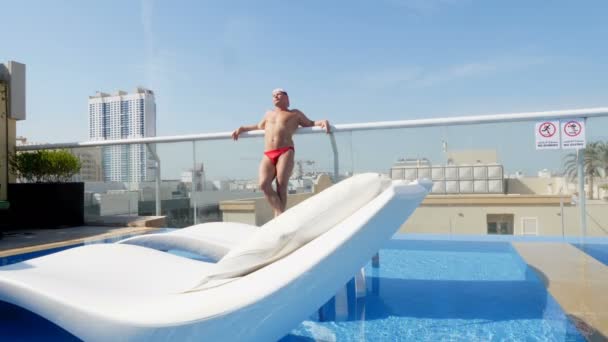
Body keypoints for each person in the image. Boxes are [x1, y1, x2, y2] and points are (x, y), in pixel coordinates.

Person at [232, 88, 331, 217]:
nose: (275, 97)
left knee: (281, 184)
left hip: (285, 151)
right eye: (273, 95)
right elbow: (258, 126)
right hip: (268, 153)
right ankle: (281, 214)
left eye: (279, 94)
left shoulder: (294, 114)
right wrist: (242, 128)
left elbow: (310, 123)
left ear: (287, 98)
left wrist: (322, 122)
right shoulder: (268, 114)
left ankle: (278, 216)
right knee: (263, 184)